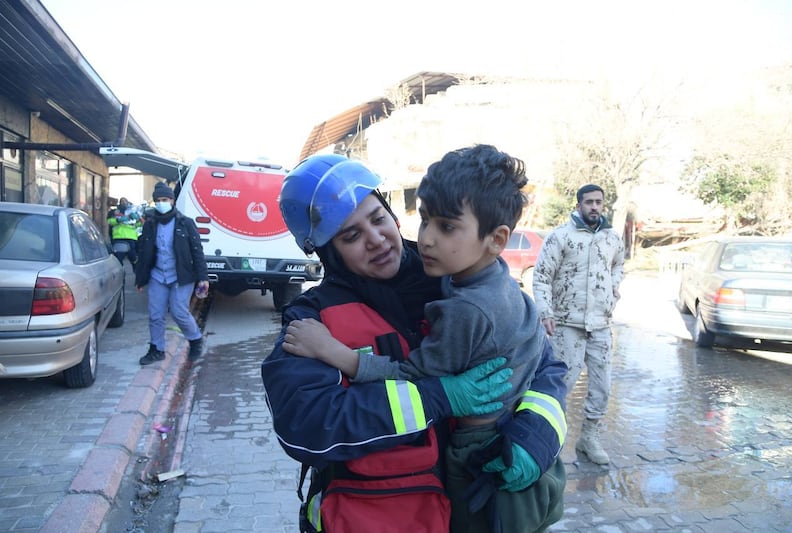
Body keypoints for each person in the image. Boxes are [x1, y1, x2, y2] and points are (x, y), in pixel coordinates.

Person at [262, 152, 568, 533]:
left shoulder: (456, 279)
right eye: (351, 235)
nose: (376, 240)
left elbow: (546, 364)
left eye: (378, 219)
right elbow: (304, 426)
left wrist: (536, 433)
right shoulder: (312, 321)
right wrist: (435, 397)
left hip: (480, 505)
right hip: (386, 520)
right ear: (328, 251)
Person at [533, 183, 625, 465]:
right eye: (589, 202)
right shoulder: (561, 236)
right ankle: (550, 439)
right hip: (566, 324)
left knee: (602, 386)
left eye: (598, 202)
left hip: (600, 325)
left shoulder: (612, 238)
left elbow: (619, 265)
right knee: (561, 385)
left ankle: (589, 439)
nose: (594, 207)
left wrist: (614, 289)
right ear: (579, 205)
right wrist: (545, 312)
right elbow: (541, 276)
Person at [135, 182, 209, 365]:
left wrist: (203, 278)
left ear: (172, 201)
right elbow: (144, 253)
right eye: (158, 200)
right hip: (157, 276)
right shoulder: (150, 225)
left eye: (165, 199)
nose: (162, 203)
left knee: (178, 311)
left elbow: (197, 251)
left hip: (181, 276)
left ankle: (196, 340)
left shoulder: (185, 223)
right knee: (155, 314)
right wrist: (140, 279)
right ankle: (156, 349)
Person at [107, 196, 141, 266]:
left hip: (131, 238)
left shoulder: (134, 211)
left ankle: (137, 273)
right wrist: (118, 220)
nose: (124, 203)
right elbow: (109, 221)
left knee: (133, 258)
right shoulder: (114, 212)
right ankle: (121, 274)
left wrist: (137, 218)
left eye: (125, 201)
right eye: (122, 201)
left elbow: (140, 224)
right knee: (118, 259)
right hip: (118, 237)